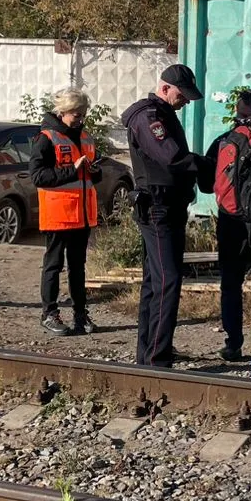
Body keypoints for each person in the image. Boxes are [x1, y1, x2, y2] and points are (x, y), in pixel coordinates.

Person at [123, 64, 210, 367]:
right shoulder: (149, 118)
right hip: (158, 208)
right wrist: (205, 164)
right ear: (164, 89)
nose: (185, 101)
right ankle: (156, 359)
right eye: (182, 95)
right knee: (167, 282)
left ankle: (150, 352)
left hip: (167, 206)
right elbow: (172, 158)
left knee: (156, 282)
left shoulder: (162, 113)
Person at [31, 88, 106, 337]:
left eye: (83, 114)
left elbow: (93, 176)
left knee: (78, 267)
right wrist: (72, 170)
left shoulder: (85, 137)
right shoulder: (46, 138)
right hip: (58, 215)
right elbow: (38, 176)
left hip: (81, 215)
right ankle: (49, 314)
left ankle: (80, 314)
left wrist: (94, 171)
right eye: (76, 114)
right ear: (62, 111)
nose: (80, 119)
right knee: (53, 265)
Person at [201, 88, 251, 364]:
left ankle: (233, 344)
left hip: (230, 218)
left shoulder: (223, 140)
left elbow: (205, 184)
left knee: (231, 283)